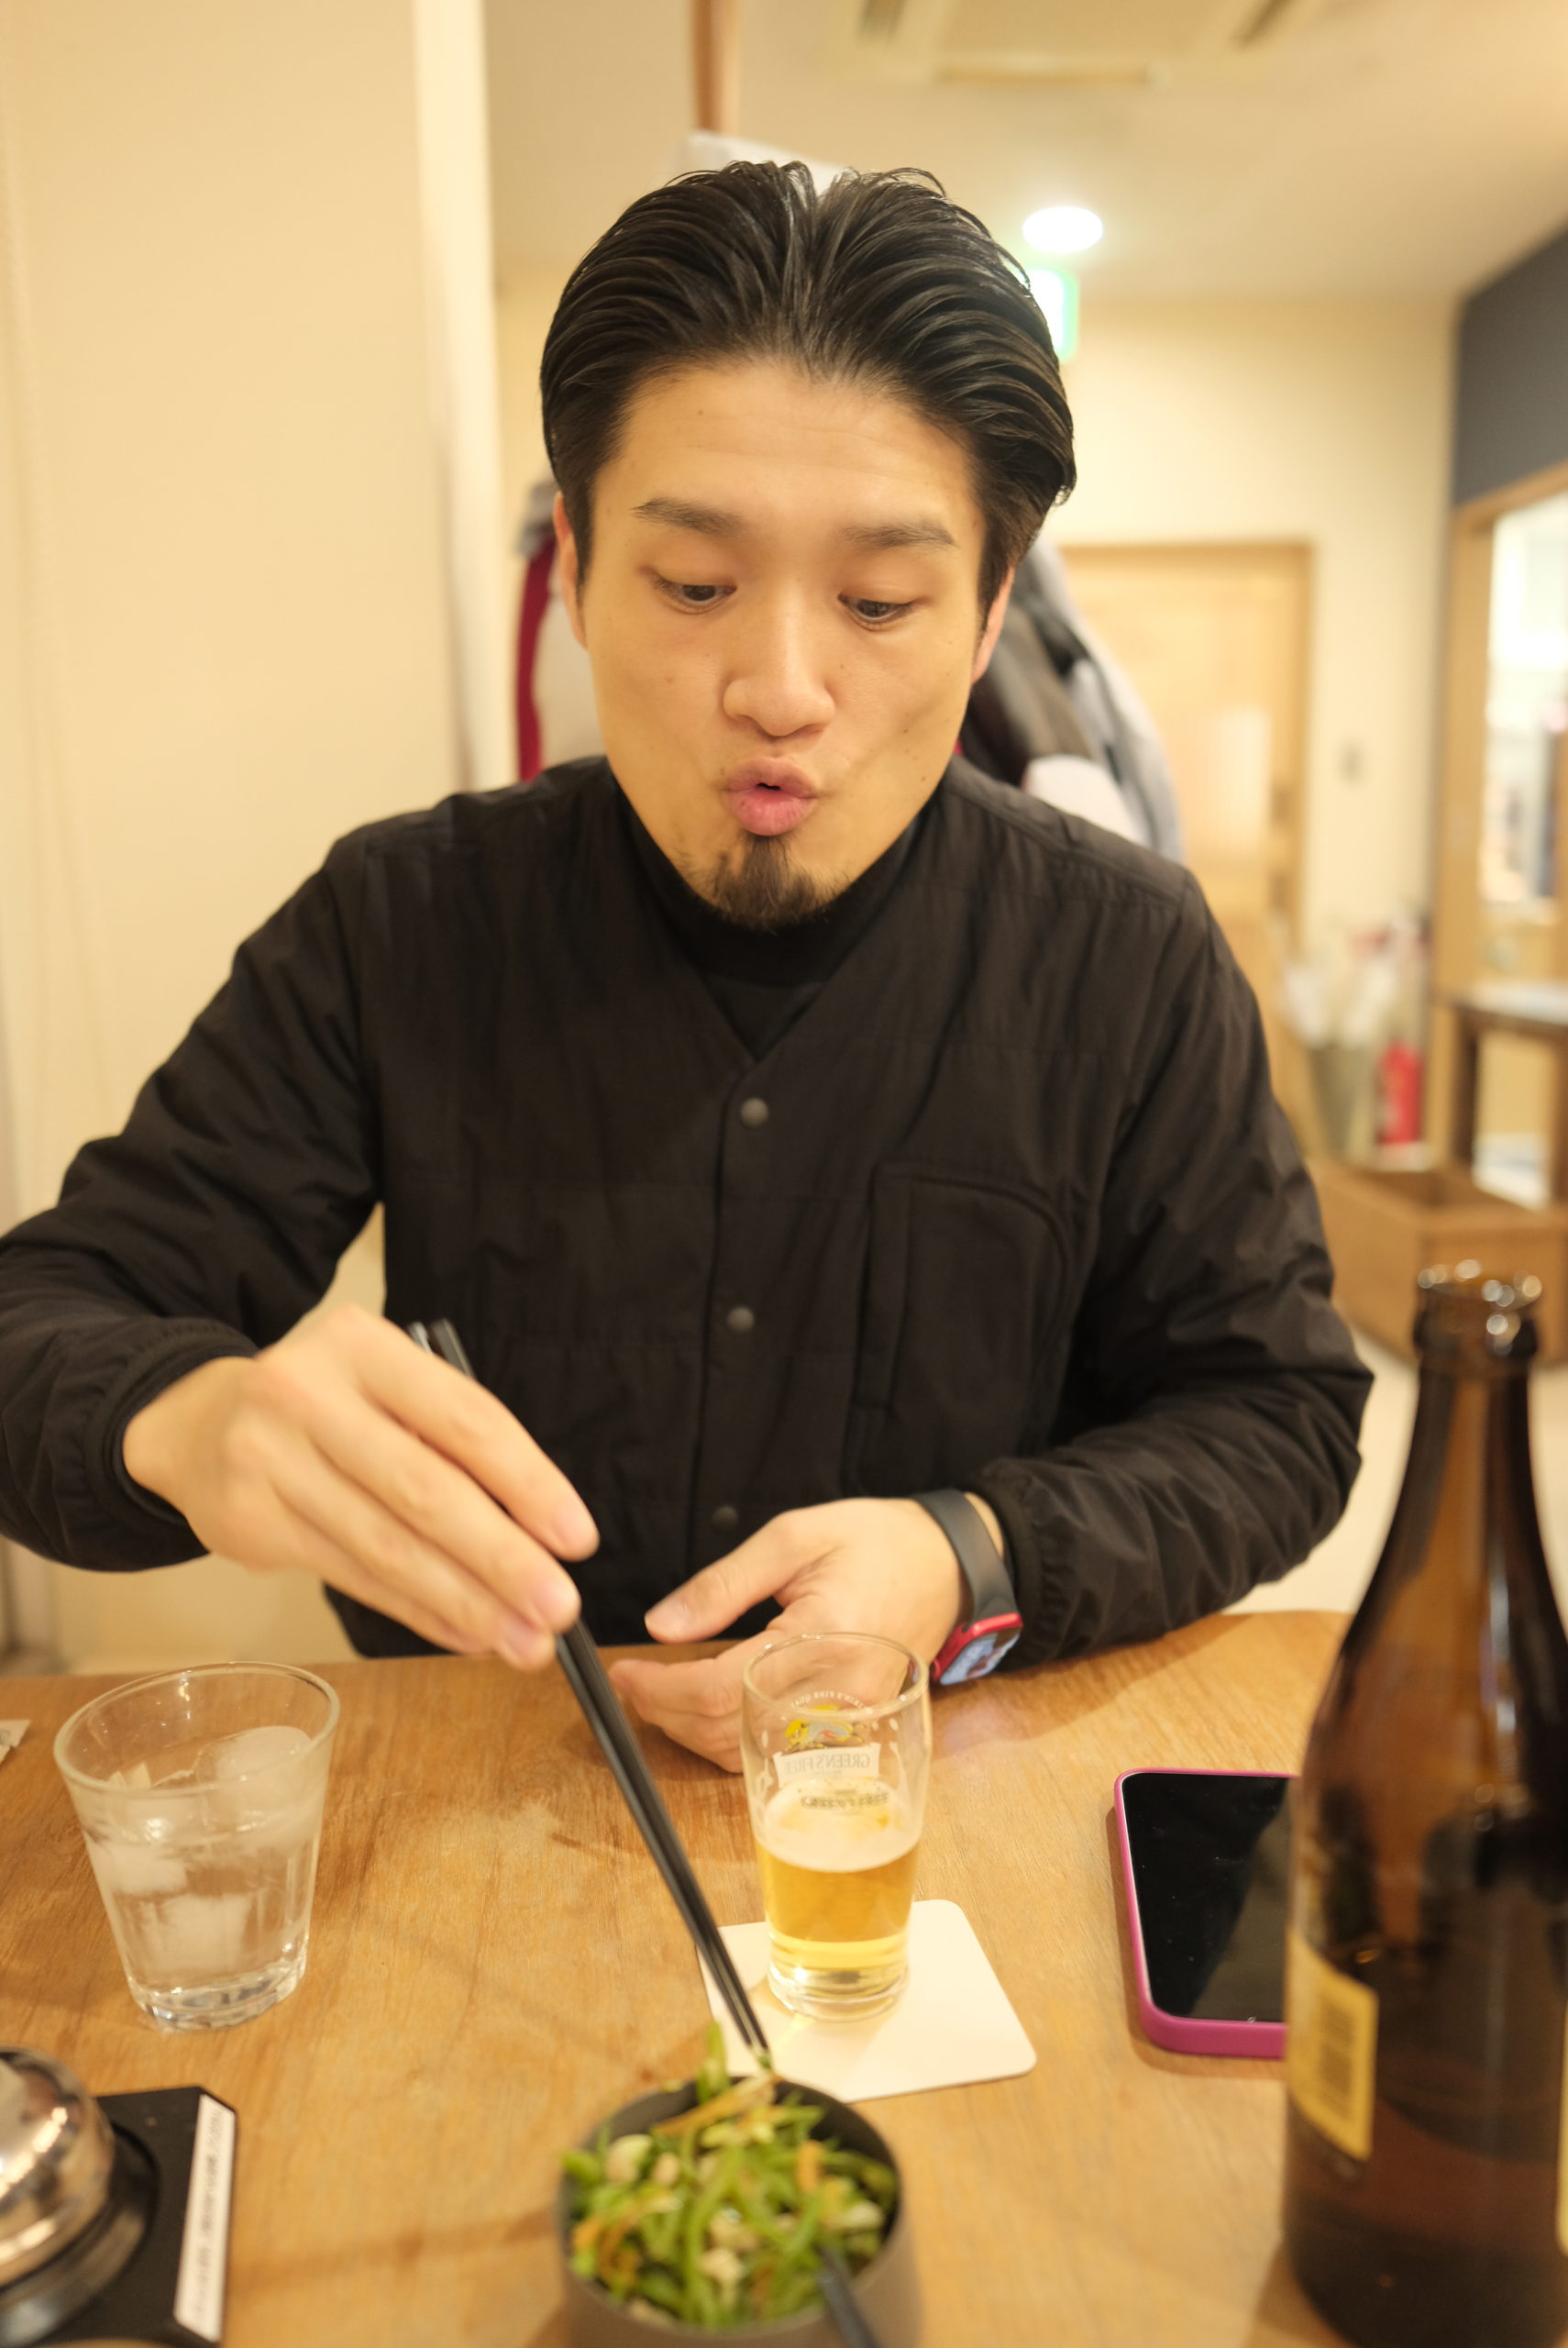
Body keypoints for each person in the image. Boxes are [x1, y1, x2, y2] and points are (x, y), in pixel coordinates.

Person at [0, 164, 1369, 1769]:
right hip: (484, 1780)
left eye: (878, 601)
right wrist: (187, 1420)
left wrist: (968, 1555)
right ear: (577, 569)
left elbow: (1275, 1415)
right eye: (696, 586)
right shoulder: (403, 919)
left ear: (991, 610)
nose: (778, 687)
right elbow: (44, 1317)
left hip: (944, 1786)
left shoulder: (1124, 954)